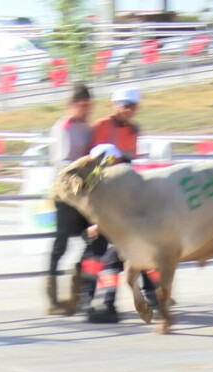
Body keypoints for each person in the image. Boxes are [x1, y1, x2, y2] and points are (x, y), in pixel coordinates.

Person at [89, 87, 159, 307]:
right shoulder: (100, 127)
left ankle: (153, 294)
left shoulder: (133, 131)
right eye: (123, 105)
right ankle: (90, 296)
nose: (127, 110)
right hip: (98, 184)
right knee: (97, 254)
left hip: (119, 194)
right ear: (114, 104)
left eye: (131, 106)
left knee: (130, 252)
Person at [45, 84, 93, 315]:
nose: (85, 109)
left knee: (93, 238)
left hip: (84, 190)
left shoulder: (87, 127)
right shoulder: (63, 127)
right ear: (71, 105)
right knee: (61, 241)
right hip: (66, 190)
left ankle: (76, 290)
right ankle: (52, 297)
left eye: (87, 105)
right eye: (81, 105)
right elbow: (63, 161)